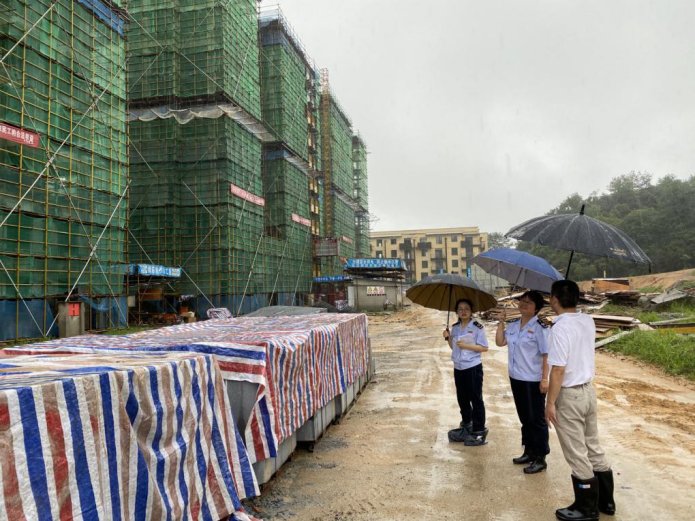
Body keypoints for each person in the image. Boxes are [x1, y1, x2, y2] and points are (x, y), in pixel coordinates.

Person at [545, 280, 616, 521]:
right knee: (593, 446)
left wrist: (550, 403)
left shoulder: (560, 328)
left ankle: (586, 508)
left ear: (554, 299)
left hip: (570, 396)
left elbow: (557, 371)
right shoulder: (588, 320)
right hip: (588, 392)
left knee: (576, 452)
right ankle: (606, 501)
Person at [495, 290, 550, 474]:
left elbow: (546, 355)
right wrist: (501, 322)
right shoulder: (513, 325)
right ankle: (529, 450)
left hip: (533, 379)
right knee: (525, 417)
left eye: (529, 302)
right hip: (516, 377)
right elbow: (500, 342)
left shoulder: (540, 327)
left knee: (537, 419)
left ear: (536, 308)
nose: (524, 304)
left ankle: (540, 457)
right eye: (522, 301)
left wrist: (544, 378)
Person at [443, 298, 489, 446]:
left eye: (466, 309)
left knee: (476, 399)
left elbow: (484, 347)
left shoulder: (477, 327)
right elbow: (454, 347)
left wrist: (467, 346)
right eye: (460, 309)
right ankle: (467, 425)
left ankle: (479, 430)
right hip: (459, 367)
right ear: (456, 311)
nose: (463, 311)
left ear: (471, 312)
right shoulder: (455, 327)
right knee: (462, 398)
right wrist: (448, 338)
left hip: (473, 367)